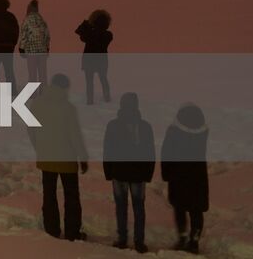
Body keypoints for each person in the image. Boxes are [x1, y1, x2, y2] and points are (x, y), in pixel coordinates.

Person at [28, 73, 89, 241]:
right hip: (67, 158)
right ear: (64, 87)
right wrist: (82, 157)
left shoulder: (37, 104)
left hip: (46, 157)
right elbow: (75, 135)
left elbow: (31, 130)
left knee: (49, 195)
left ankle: (52, 229)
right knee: (71, 196)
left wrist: (39, 148)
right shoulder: (67, 108)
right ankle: (72, 232)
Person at [102, 92, 155, 253]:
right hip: (138, 174)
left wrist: (108, 171)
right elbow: (149, 152)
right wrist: (148, 173)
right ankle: (139, 241)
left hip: (119, 173)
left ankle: (122, 238)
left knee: (121, 207)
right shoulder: (145, 126)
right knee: (139, 208)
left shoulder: (113, 125)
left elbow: (108, 150)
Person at [161, 103, 209, 254]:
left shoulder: (173, 132)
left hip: (178, 175)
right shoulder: (203, 133)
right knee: (196, 210)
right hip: (197, 176)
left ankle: (182, 237)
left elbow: (166, 154)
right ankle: (194, 240)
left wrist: (166, 174)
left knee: (179, 207)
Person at [76, 9, 114, 103]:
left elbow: (79, 33)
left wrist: (87, 23)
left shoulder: (90, 33)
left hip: (89, 59)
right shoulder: (108, 35)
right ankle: (107, 98)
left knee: (89, 81)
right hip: (102, 60)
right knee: (103, 79)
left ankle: (90, 100)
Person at [19, 0, 50, 89]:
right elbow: (47, 36)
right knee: (43, 74)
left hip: (31, 51)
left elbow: (24, 36)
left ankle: (33, 94)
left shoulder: (27, 20)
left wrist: (21, 48)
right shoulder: (42, 20)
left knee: (32, 74)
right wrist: (47, 48)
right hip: (42, 51)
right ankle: (43, 93)